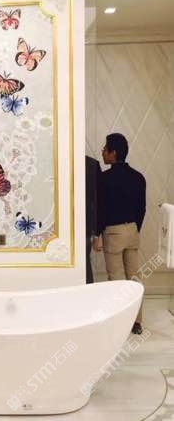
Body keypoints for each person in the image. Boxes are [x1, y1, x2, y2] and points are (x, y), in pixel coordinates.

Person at [93, 133, 146, 334]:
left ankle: (121, 322)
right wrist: (135, 228)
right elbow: (142, 208)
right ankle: (137, 322)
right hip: (132, 231)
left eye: (105, 149)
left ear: (113, 153)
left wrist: (97, 235)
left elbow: (101, 210)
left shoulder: (104, 179)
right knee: (134, 278)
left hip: (113, 234)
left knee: (116, 279)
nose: (102, 152)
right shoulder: (139, 177)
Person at [85, 156, 101, 284]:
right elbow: (97, 200)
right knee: (85, 259)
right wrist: (96, 231)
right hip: (86, 222)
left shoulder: (60, 158)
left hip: (60, 224)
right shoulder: (92, 164)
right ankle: (88, 289)